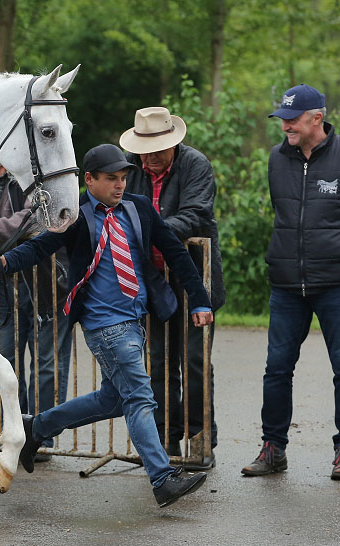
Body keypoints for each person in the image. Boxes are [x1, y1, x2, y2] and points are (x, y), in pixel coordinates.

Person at [0, 144, 213, 508]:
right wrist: (4, 262)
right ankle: (162, 478)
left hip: (135, 319)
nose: (120, 185)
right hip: (105, 324)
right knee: (139, 397)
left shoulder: (139, 208)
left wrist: (199, 298)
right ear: (88, 180)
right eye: (111, 179)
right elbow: (41, 246)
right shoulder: (75, 215)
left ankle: (35, 427)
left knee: (112, 399)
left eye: (123, 178)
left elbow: (174, 252)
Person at [242, 84, 340, 480]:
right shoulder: (277, 159)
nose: (285, 126)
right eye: (282, 119)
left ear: (316, 119)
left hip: (338, 282)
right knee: (276, 368)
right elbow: (282, 211)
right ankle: (274, 449)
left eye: (292, 119)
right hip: (287, 282)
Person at [120, 107, 225, 470]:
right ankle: (163, 438)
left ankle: (199, 439)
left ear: (173, 143)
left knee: (195, 362)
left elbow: (196, 214)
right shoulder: (131, 168)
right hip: (150, 282)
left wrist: (150, 230)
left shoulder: (195, 165)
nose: (149, 157)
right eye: (144, 149)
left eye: (158, 149)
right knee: (159, 363)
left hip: (194, 278)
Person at [0, 166, 72, 463]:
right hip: (1, 282)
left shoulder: (35, 171)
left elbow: (34, 218)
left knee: (47, 364)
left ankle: (40, 437)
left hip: (45, 280)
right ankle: (5, 435)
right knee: (2, 363)